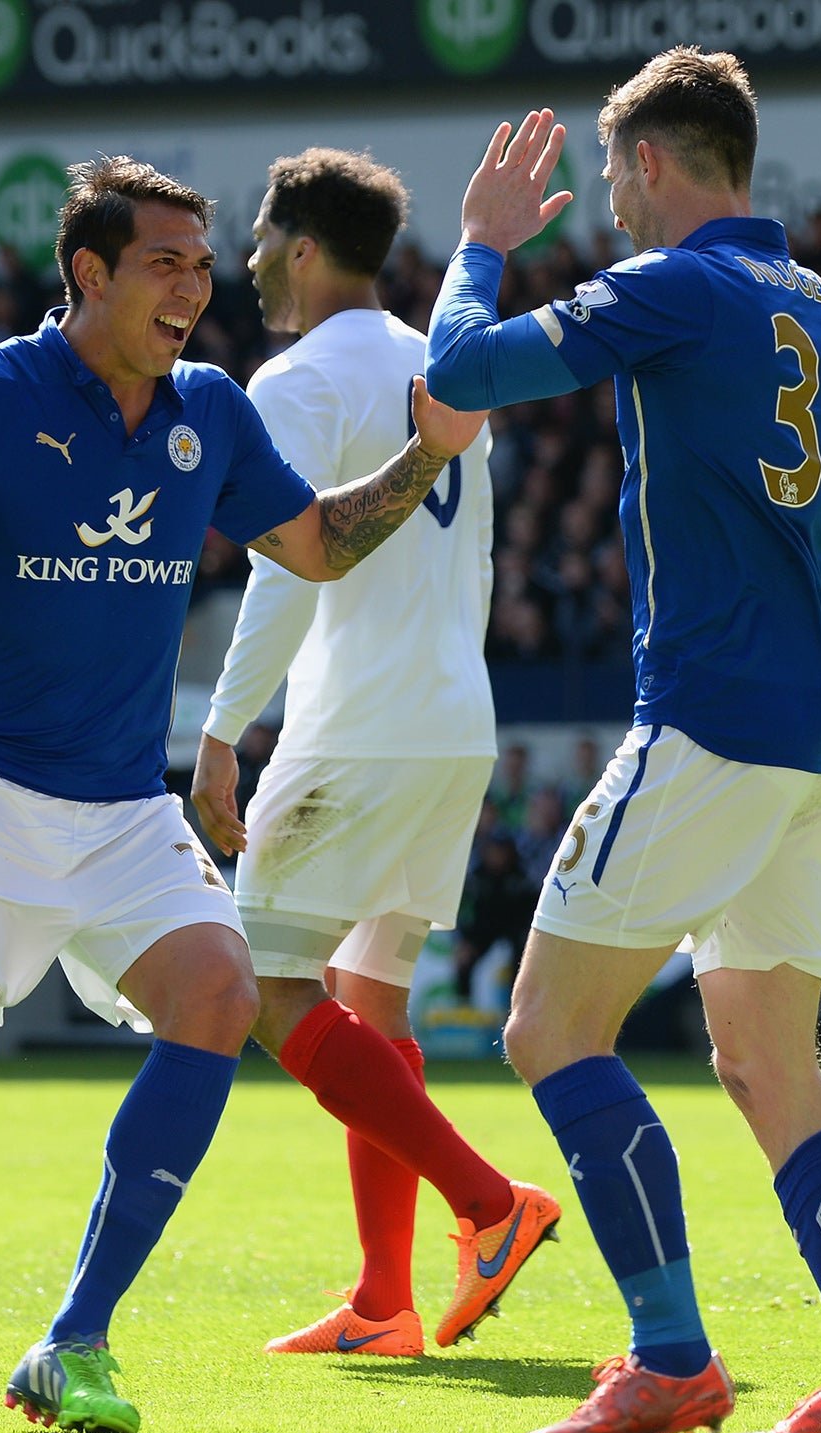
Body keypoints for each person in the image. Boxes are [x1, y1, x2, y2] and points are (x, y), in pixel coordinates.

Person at [0, 155, 486, 1433]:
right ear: (88, 273)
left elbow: (313, 545)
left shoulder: (209, 406)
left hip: (117, 802)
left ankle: (76, 1340)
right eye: (165, 263)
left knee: (218, 996)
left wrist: (424, 453)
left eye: (203, 265)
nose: (195, 289)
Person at [427, 50, 821, 1433]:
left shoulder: (682, 287)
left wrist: (477, 245)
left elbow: (462, 370)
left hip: (708, 716)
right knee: (775, 1065)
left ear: (652, 160)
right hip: (812, 727)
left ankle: (669, 1357)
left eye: (609, 176)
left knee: (546, 1027)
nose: (606, 205)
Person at [191, 148, 556, 1360]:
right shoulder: (441, 362)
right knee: (368, 997)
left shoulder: (292, 376)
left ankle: (490, 1204)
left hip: (358, 721)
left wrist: (219, 732)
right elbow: (483, 553)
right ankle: (385, 1302)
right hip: (453, 716)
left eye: (255, 239)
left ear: (299, 247)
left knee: (259, 988)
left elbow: (286, 567)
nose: (243, 263)